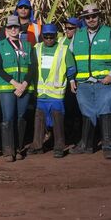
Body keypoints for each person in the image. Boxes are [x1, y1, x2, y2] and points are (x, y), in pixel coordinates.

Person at [69, 4, 111, 159]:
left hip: (105, 83)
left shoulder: (110, 33)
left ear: (99, 17)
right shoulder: (78, 35)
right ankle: (86, 145)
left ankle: (108, 147)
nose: (91, 19)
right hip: (83, 83)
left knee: (105, 111)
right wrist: (71, 79)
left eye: (94, 16)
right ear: (83, 19)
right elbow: (70, 57)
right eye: (87, 17)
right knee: (86, 112)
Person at [28, 23, 77, 158]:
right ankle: (37, 146)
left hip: (56, 93)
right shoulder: (36, 48)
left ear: (56, 36)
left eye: (51, 37)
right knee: (39, 121)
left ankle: (59, 147)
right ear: (42, 36)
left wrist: (72, 80)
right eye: (46, 37)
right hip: (41, 93)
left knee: (58, 121)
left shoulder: (63, 49)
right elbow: (31, 68)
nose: (49, 39)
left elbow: (71, 67)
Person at [0, 15, 37, 161]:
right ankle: (8, 150)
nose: (13, 29)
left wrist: (24, 84)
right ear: (6, 29)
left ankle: (18, 148)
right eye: (10, 27)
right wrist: (15, 83)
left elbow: (32, 67)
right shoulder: (0, 45)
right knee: (8, 118)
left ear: (19, 29)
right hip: (7, 88)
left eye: (16, 27)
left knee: (21, 117)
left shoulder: (28, 46)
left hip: (24, 87)